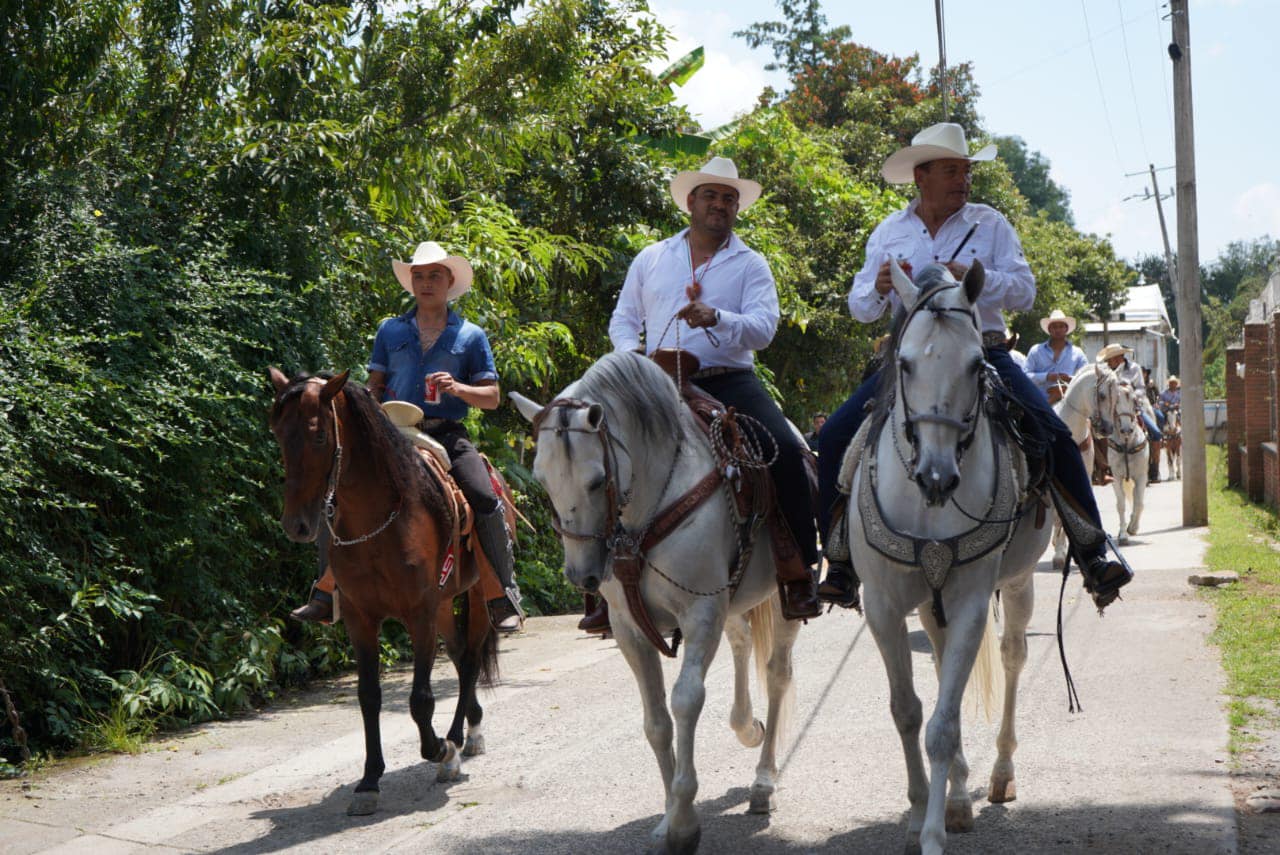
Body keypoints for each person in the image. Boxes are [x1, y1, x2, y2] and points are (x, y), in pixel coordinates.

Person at [816, 122, 1132, 612]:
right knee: (835, 436)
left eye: (965, 170)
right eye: (951, 170)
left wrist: (977, 280)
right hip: (910, 360)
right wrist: (878, 287)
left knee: (1051, 432)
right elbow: (860, 308)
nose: (963, 180)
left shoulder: (991, 224)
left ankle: (1092, 549)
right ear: (921, 176)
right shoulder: (889, 232)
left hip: (981, 350)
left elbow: (1025, 291)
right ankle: (839, 560)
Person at [608, 156, 822, 620]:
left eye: (729, 198)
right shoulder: (652, 257)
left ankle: (798, 571)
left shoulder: (751, 264)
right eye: (710, 195)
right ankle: (603, 581)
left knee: (784, 449)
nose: (719, 205)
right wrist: (634, 360)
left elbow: (764, 330)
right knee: (597, 449)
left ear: (737, 208)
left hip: (730, 380)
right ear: (691, 202)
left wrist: (718, 318)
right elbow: (624, 320)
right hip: (656, 381)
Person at [290, 241, 523, 632]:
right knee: (336, 493)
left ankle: (501, 594)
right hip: (391, 433)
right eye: (419, 275)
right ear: (410, 282)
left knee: (484, 496)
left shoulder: (470, 335)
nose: (426, 282)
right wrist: (368, 408)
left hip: (446, 433)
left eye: (434, 275)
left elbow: (493, 398)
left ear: (449, 281)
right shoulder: (390, 330)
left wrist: (458, 389)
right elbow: (375, 384)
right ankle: (326, 591)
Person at [1097, 343, 1163, 483]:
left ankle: (1154, 468)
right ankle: (1102, 469)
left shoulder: (1134, 368)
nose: (1111, 361)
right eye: (1109, 359)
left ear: (1121, 356)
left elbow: (1141, 388)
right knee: (1096, 433)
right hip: (1111, 409)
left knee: (1156, 433)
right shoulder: (1105, 371)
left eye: (1113, 358)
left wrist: (1130, 392)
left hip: (1133, 408)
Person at [1023, 309, 1088, 403]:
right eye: (1054, 327)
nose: (1058, 330)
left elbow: (1086, 377)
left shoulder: (1077, 352)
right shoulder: (1036, 351)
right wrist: (1046, 376)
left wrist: (1070, 379)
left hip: (1070, 404)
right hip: (1040, 403)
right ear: (1049, 329)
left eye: (1061, 326)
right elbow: (1025, 376)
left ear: (1066, 329)